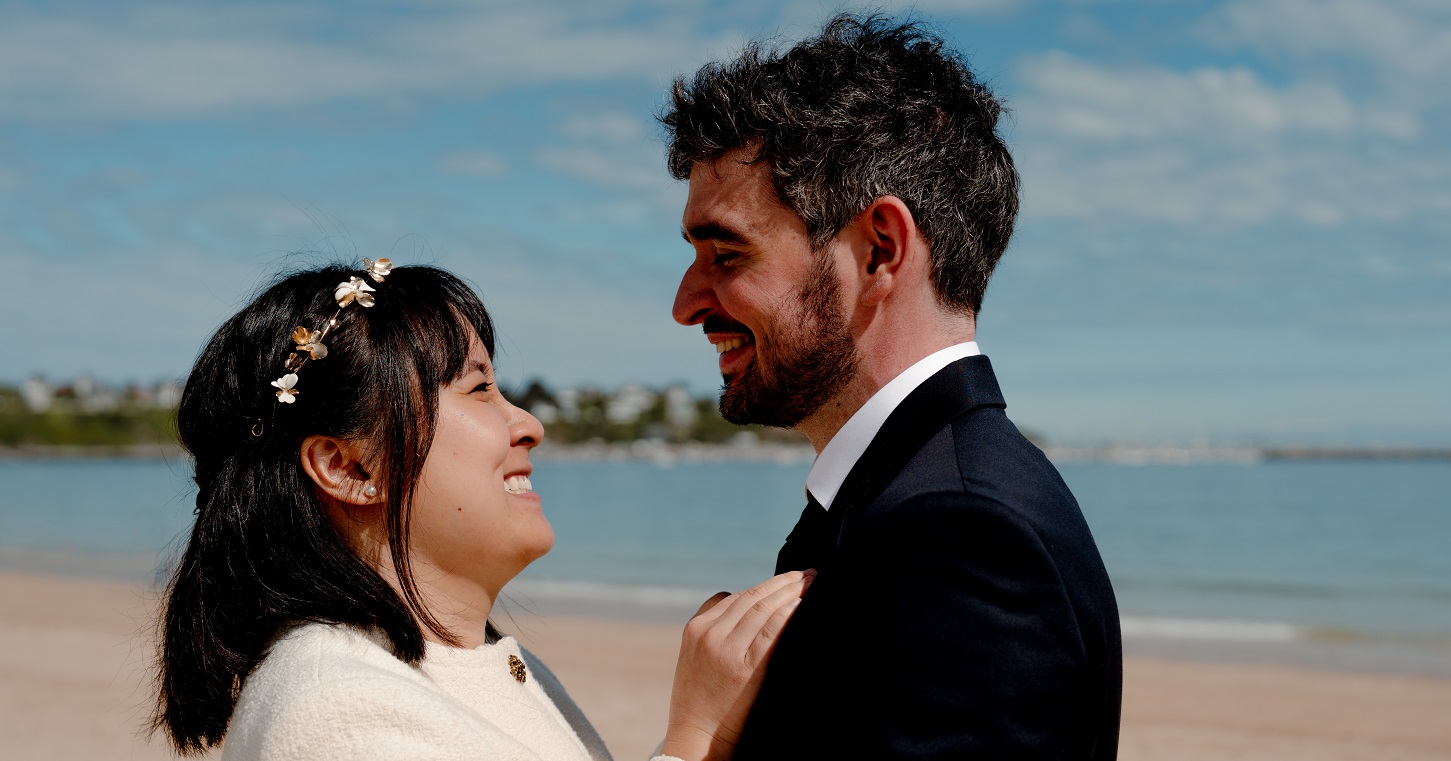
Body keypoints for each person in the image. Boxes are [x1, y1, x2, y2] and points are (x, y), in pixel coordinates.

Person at [662, 13, 1122, 759]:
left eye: (726, 254)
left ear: (879, 248)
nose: (685, 303)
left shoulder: (959, 534)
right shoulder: (911, 496)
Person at [151, 260, 810, 761]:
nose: (527, 425)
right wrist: (693, 735)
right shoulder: (340, 710)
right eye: (479, 388)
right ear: (349, 467)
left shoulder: (467, 659)